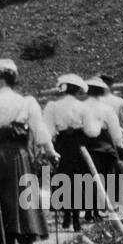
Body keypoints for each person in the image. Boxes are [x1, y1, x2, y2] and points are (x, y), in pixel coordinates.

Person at [0, 59, 57, 244]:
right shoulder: (26, 102)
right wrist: (51, 151)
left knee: (3, 202)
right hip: (21, 156)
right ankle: (25, 243)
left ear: (1, 78)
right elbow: (39, 130)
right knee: (24, 200)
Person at [42, 74, 89, 232]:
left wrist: (50, 148)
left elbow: (48, 129)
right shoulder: (83, 106)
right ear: (77, 90)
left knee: (63, 178)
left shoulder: (53, 106)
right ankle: (75, 219)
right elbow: (90, 129)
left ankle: (67, 216)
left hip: (61, 144)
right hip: (78, 144)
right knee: (78, 179)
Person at [83, 76, 123, 218]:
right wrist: (119, 144)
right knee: (109, 173)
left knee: (86, 175)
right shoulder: (107, 109)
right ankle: (108, 205)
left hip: (85, 143)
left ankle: (90, 209)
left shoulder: (81, 107)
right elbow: (115, 131)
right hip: (104, 143)